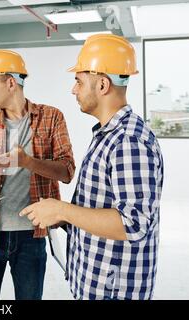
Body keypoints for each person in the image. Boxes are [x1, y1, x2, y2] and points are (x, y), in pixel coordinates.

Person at [20, 34, 164, 300]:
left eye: (78, 80)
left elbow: (132, 224)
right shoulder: (109, 134)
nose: (73, 89)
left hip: (113, 291)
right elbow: (103, 206)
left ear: (102, 84)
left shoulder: (128, 141)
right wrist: (61, 215)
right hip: (98, 283)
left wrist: (63, 209)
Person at [0, 49, 75, 300]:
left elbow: (67, 171)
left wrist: (27, 161)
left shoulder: (51, 118)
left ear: (11, 83)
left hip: (31, 235)